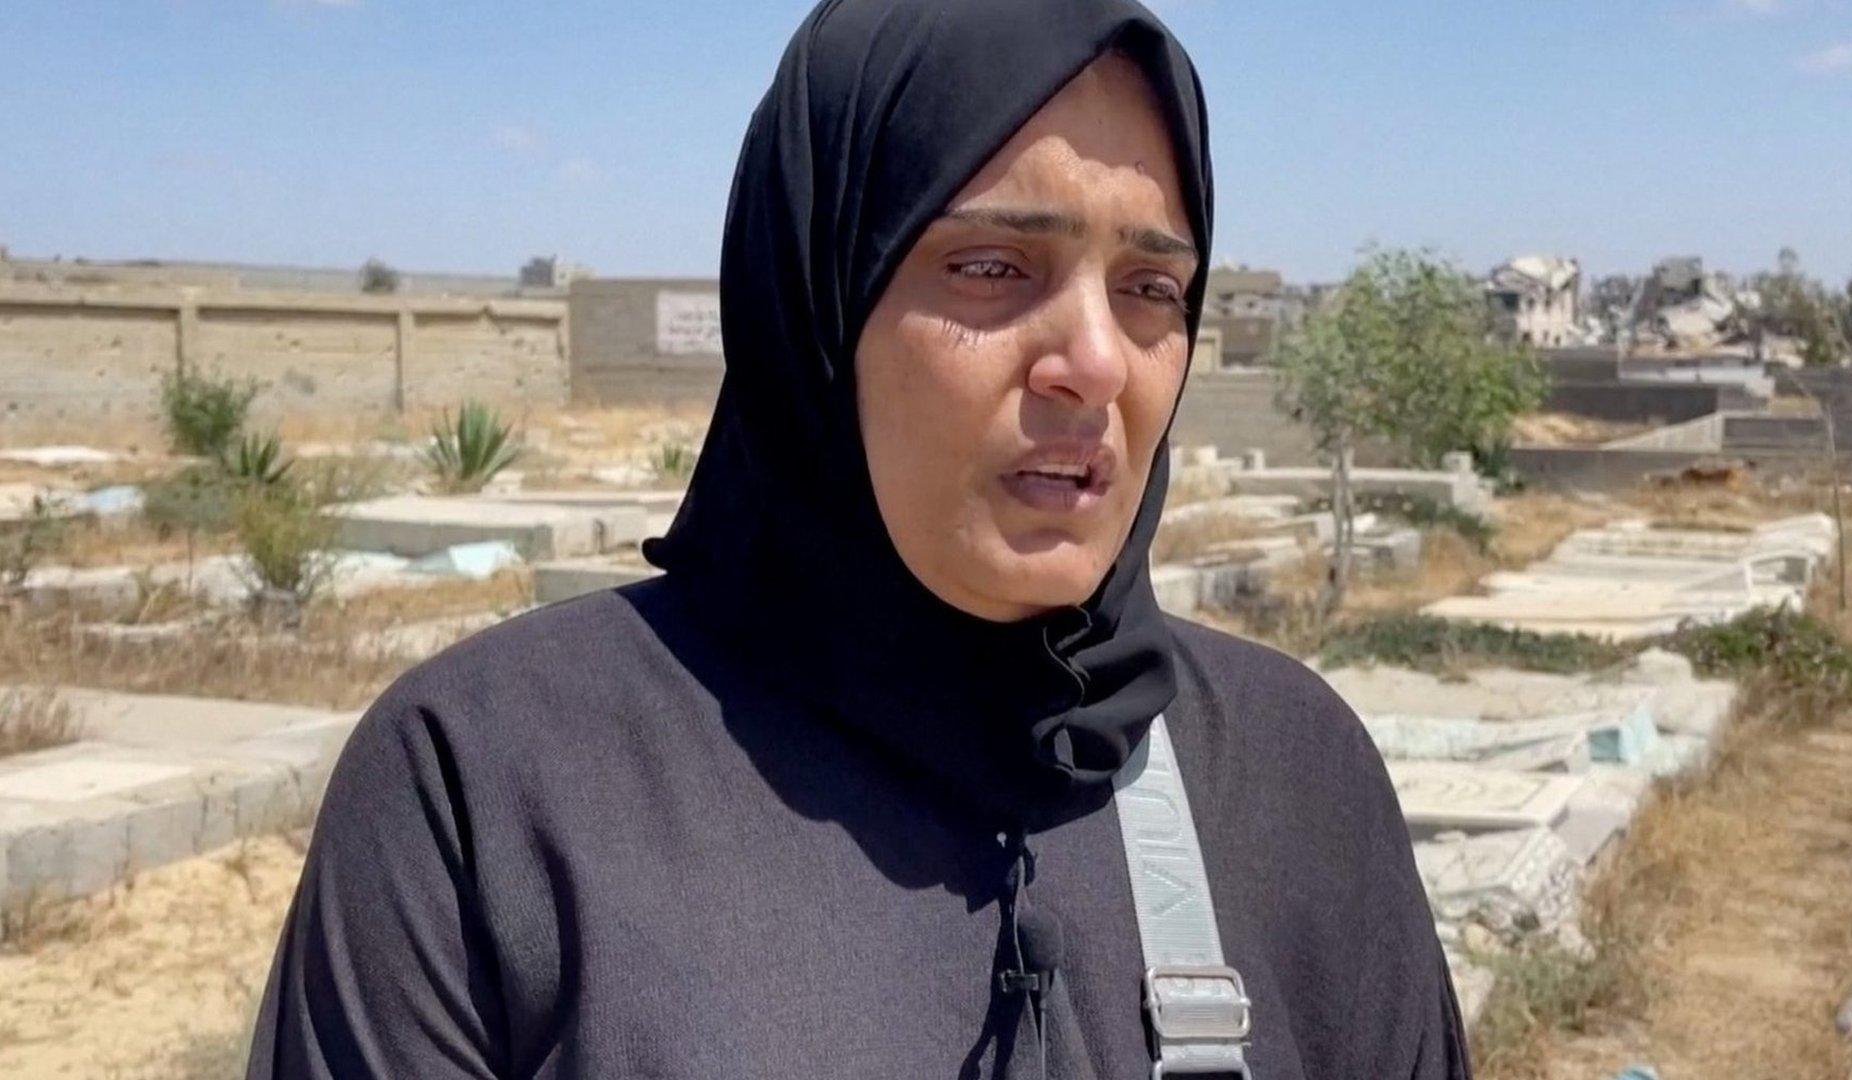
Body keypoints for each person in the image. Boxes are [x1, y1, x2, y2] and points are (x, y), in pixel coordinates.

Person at [246, 1, 1470, 1077]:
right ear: (817, 308)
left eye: (1152, 290)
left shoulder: (1290, 777)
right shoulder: (489, 792)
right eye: (992, 266)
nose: (1097, 362)